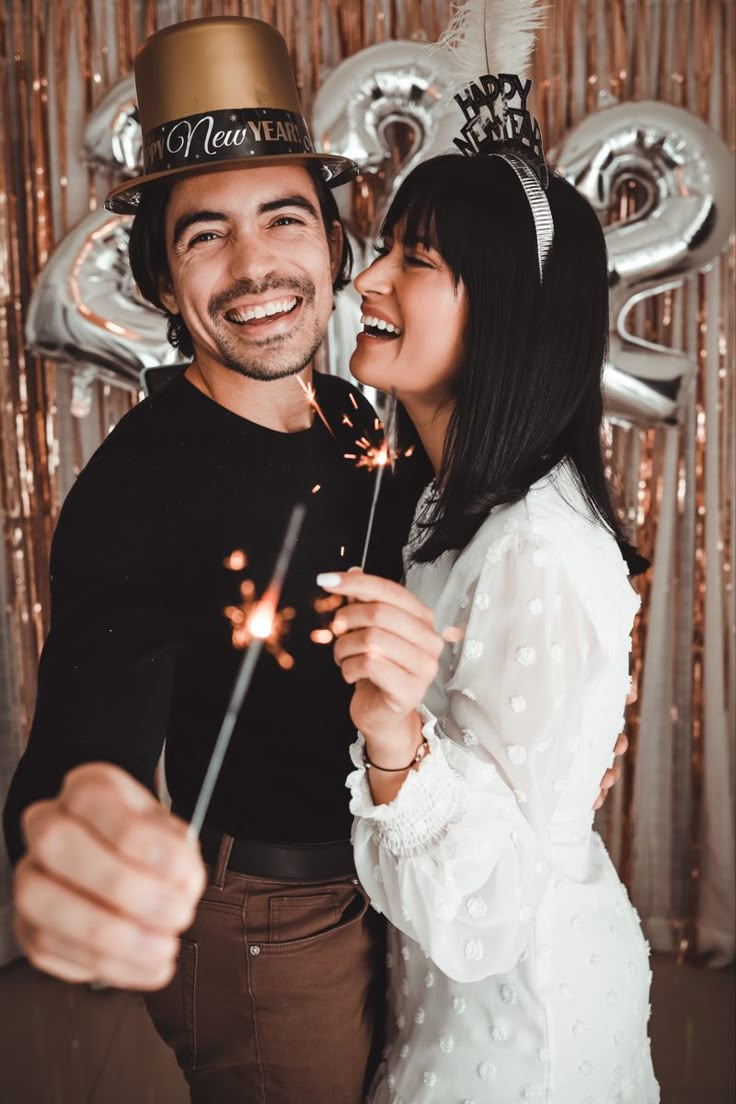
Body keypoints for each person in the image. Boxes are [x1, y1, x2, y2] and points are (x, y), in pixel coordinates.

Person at [2, 15, 627, 1104]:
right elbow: (87, 734)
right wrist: (77, 818)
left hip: (405, 886)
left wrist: (561, 727)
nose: (255, 268)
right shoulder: (135, 490)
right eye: (205, 236)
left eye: (284, 219)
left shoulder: (361, 418)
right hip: (270, 926)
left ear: (334, 247)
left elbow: (476, 590)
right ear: (159, 279)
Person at [319, 146, 659, 1102]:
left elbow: (501, 898)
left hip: (516, 1018)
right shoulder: (440, 501)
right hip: (441, 979)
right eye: (383, 247)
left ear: (506, 311)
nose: (369, 278)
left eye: (415, 259)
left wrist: (392, 735)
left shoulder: (532, 546)